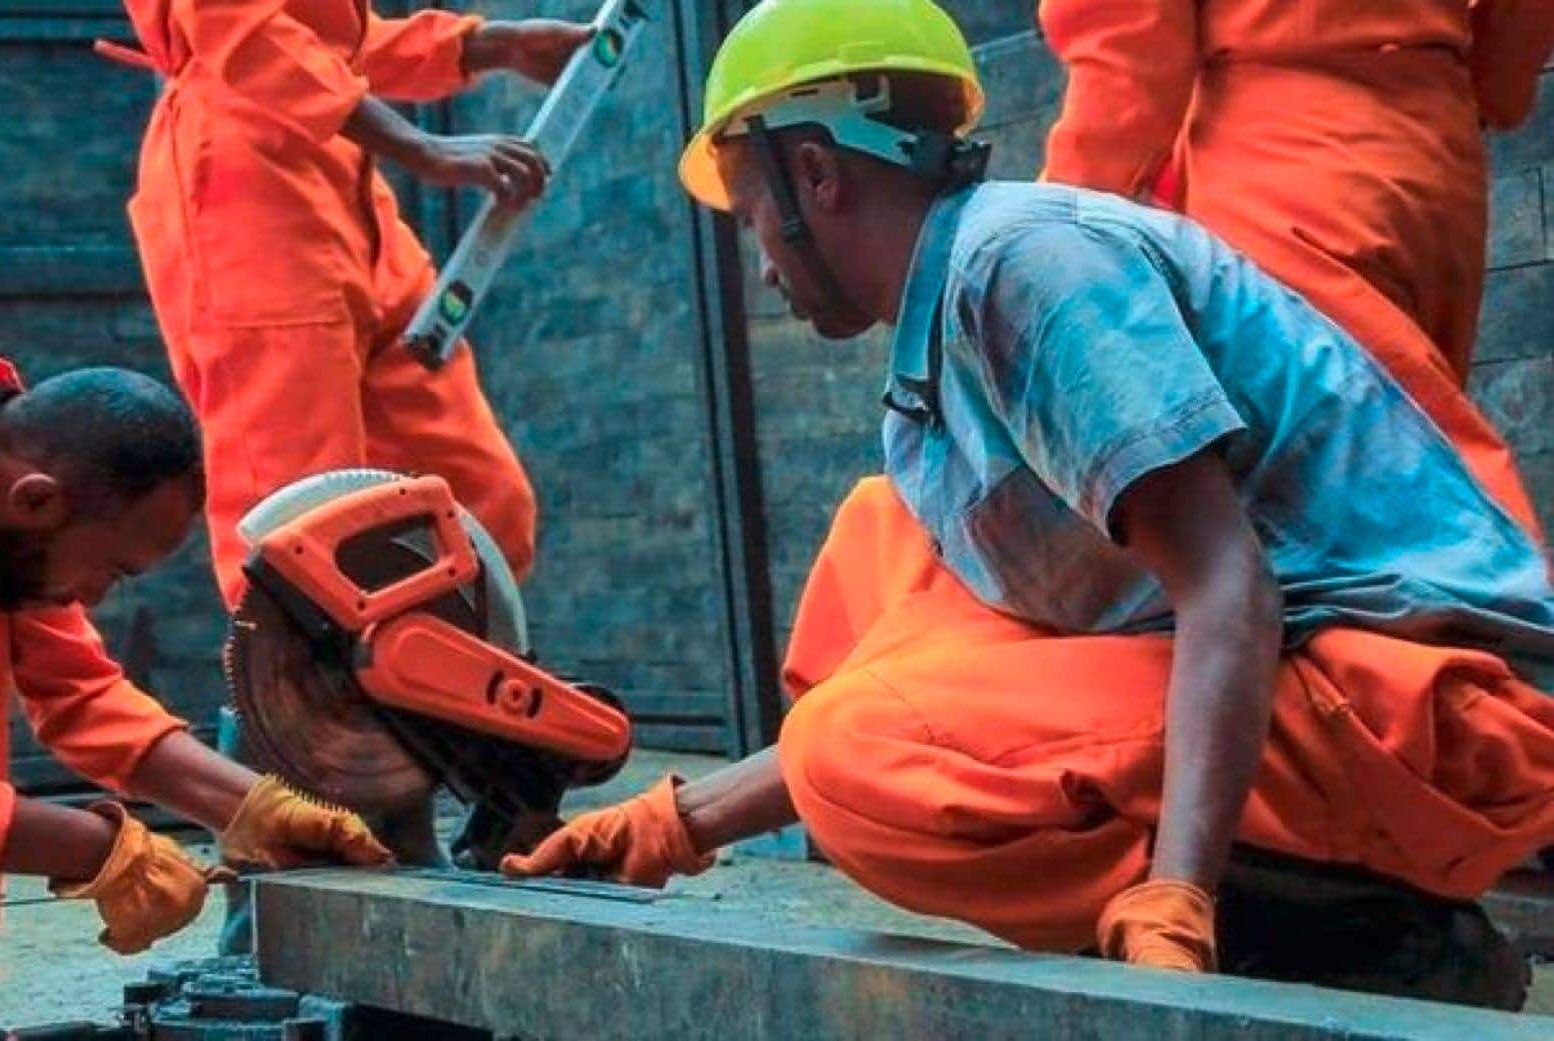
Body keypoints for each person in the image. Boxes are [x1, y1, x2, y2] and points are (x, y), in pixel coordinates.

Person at [503, 0, 1554, 1006]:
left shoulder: (1027, 267)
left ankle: (1364, 939)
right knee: (880, 560)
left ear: (816, 174)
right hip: (1309, 683)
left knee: (854, 756)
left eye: (750, 222)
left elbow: (1229, 584)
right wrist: (672, 825)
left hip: (1429, 709)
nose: (765, 270)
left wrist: (1179, 896)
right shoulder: (938, 364)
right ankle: (1282, 894)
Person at [0, 326, 391, 1041]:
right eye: (111, 571)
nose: (93, 599)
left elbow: (80, 694)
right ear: (36, 500)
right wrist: (96, 850)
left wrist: (257, 808)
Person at [116, 0, 598, 608]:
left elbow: (325, 41)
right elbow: (242, 34)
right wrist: (420, 146)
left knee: (483, 509)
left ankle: (430, 663)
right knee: (298, 527)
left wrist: (490, 46)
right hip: (245, 192)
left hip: (345, 187)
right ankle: (303, 667)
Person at [1038, 0, 1554, 531]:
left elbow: (1128, 58)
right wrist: (1479, 83)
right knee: (1387, 461)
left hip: (1280, 164)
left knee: (1403, 480)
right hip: (1434, 152)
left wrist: (1053, 232)